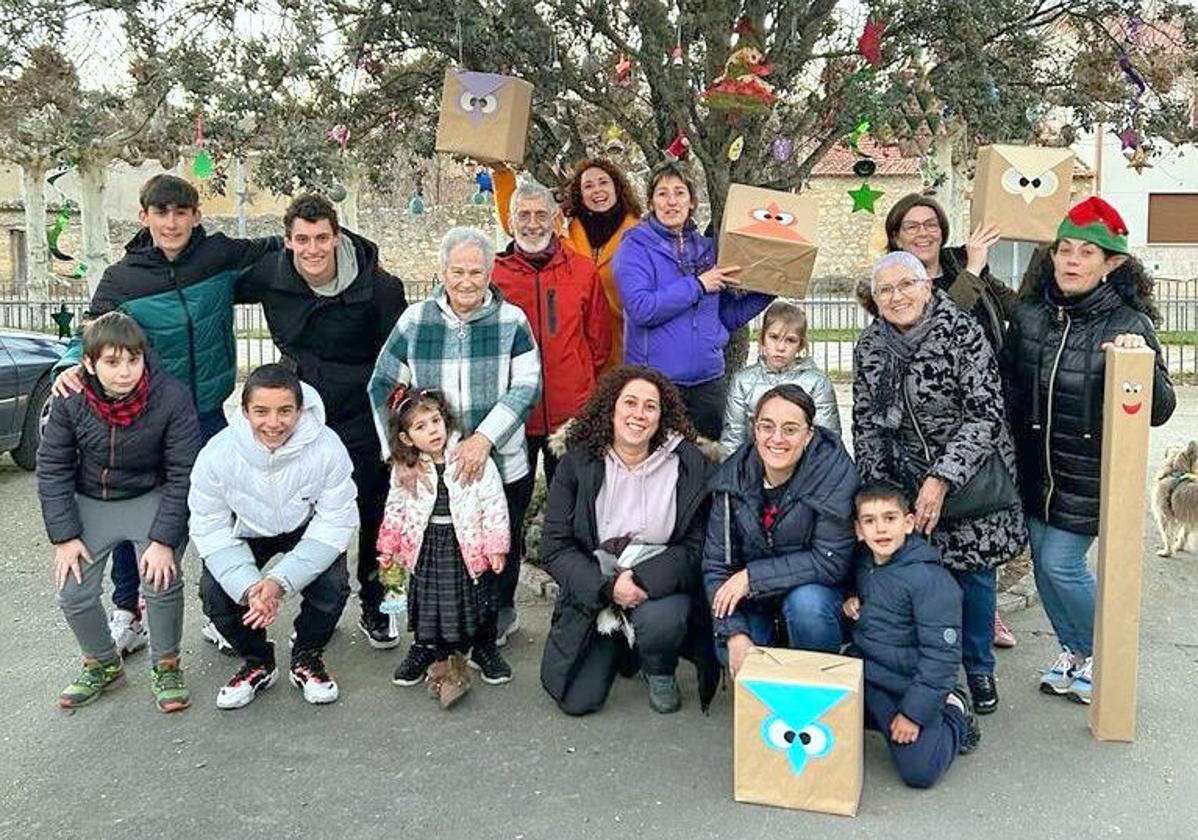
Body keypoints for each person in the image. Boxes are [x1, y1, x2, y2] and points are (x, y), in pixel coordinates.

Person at [50, 174, 280, 658]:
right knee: (137, 518)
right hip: (146, 418)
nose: (171, 223)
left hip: (208, 411)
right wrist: (71, 364)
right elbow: (95, 331)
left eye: (181, 212)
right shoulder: (123, 278)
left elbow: (283, 245)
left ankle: (225, 612)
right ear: (145, 217)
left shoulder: (219, 256)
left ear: (196, 215)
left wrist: (342, 249)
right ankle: (128, 613)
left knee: (224, 516)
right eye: (161, 213)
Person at [1004, 197, 1176, 705]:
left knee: (1061, 564)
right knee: (1041, 563)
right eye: (1065, 250)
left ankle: (1106, 655)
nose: (1072, 260)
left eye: (1087, 252)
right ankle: (1074, 652)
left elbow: (1160, 408)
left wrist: (1136, 363)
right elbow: (1011, 389)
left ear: (1112, 265)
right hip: (1035, 472)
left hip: (1089, 476)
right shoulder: (1031, 316)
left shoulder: (1127, 323)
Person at [853, 251, 1025, 716]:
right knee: (922, 581)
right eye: (885, 290)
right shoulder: (870, 346)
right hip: (904, 480)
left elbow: (985, 414)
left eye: (905, 285)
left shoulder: (961, 332)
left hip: (968, 476)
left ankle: (978, 665)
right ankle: (940, 679)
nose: (896, 296)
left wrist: (941, 478)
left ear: (926, 286)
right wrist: (878, 493)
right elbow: (866, 422)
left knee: (973, 578)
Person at [368, 227, 541, 677]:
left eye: (476, 271)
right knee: (430, 557)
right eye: (457, 271)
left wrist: (484, 439)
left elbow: (526, 386)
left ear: (490, 271)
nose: (467, 281)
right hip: (431, 470)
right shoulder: (415, 320)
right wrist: (398, 454)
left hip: (498, 465)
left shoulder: (512, 322)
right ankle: (429, 641)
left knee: (492, 555)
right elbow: (382, 384)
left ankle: (485, 639)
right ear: (442, 272)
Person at [240, 194, 409, 650]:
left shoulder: (381, 288)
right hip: (300, 416)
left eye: (321, 238)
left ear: (336, 237)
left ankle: (378, 604)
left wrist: (399, 430)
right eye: (301, 240)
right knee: (304, 511)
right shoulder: (270, 276)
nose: (312, 249)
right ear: (288, 241)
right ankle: (321, 605)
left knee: (377, 513)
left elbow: (398, 362)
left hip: (362, 411)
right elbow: (203, 274)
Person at [37, 313, 199, 712]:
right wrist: (64, 537)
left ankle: (166, 664)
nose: (125, 372)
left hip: (151, 494)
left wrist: (163, 539)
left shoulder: (172, 396)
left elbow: (183, 473)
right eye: (112, 362)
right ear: (89, 364)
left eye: (133, 360)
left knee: (160, 580)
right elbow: (53, 467)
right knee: (73, 591)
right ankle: (103, 665)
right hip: (92, 499)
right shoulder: (70, 400)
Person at [539, 366, 719, 715]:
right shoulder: (579, 460)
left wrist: (639, 580)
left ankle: (659, 667)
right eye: (630, 403)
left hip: (658, 581)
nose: (639, 414)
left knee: (662, 620)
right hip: (599, 581)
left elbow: (697, 547)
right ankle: (622, 649)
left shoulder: (688, 463)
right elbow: (556, 546)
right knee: (577, 701)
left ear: (662, 415)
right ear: (612, 408)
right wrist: (608, 586)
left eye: (650, 406)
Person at [885, 193, 1022, 650]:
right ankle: (939, 647)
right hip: (920, 441)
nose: (924, 233)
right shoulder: (892, 282)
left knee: (978, 543)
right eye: (911, 226)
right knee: (929, 545)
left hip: (976, 431)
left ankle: (981, 637)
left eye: (931, 224)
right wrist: (973, 272)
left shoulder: (969, 270)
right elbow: (934, 329)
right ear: (895, 237)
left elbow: (1009, 317)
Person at [189, 365, 357, 709]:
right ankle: (257, 661)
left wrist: (280, 582)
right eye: (261, 411)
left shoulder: (328, 447)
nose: (273, 423)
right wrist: (251, 587)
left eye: (285, 411)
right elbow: (209, 526)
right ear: (245, 410)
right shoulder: (217, 454)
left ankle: (307, 654)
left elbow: (336, 520)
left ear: (301, 409)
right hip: (246, 529)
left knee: (334, 585)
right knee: (216, 593)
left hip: (306, 525)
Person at [702, 384, 859, 677]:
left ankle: (819, 684)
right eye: (766, 426)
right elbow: (716, 567)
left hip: (819, 594)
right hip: (759, 599)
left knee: (807, 607)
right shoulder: (731, 479)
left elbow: (831, 560)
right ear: (754, 429)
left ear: (808, 434)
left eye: (790, 429)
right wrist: (734, 632)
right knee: (734, 650)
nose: (776, 438)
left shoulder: (834, 473)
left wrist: (752, 577)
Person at [613, 161, 772, 439]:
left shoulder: (706, 249)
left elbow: (725, 317)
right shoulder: (634, 246)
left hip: (709, 384)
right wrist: (697, 285)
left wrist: (769, 289)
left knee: (707, 468)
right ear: (651, 201)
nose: (671, 201)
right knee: (660, 471)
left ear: (692, 202)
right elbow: (641, 308)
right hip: (656, 386)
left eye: (679, 192)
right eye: (662, 193)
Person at [377, 391, 510, 709]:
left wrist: (495, 546)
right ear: (407, 439)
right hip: (425, 545)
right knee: (429, 601)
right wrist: (389, 546)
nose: (433, 430)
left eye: (435, 421)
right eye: (421, 427)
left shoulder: (471, 457)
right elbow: (395, 507)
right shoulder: (406, 468)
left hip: (466, 544)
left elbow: (493, 503)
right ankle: (428, 649)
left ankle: (482, 647)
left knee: (474, 599)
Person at [843, 483, 981, 789]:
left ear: (908, 523)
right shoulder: (865, 562)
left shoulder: (930, 581)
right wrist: (852, 599)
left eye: (890, 518)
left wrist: (914, 713)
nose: (880, 528)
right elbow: (875, 595)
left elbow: (942, 657)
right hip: (869, 675)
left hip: (910, 684)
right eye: (870, 520)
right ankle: (879, 716)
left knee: (920, 771)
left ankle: (955, 710)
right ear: (858, 530)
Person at [492, 183, 611, 486]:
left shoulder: (583, 271)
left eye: (541, 215)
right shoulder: (493, 274)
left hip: (571, 413)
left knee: (573, 504)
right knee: (510, 506)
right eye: (524, 215)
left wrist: (577, 379)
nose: (533, 224)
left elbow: (599, 342)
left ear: (555, 218)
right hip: (513, 413)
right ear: (510, 219)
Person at [492, 157, 643, 367]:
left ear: (617, 187)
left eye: (603, 182)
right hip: (577, 348)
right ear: (579, 194)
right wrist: (502, 174)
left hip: (626, 344)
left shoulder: (640, 234)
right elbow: (521, 227)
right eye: (588, 185)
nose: (597, 190)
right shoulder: (566, 230)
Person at [720, 299, 840, 456]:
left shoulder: (817, 384)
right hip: (754, 469)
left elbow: (827, 442)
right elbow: (733, 440)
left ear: (801, 345)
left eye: (790, 340)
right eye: (774, 337)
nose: (781, 347)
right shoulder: (743, 381)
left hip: (804, 470)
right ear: (763, 338)